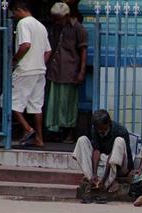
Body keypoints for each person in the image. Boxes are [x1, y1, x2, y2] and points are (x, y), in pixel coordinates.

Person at [9, 0, 52, 147]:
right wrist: (40, 63)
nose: (13, 16)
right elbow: (48, 51)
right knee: (36, 106)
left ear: (19, 9)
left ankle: (27, 128)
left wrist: (15, 60)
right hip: (40, 71)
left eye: (14, 12)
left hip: (25, 70)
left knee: (8, 101)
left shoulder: (23, 23)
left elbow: (25, 44)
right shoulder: (41, 26)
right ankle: (39, 139)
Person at [45, 2, 88, 143]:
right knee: (54, 104)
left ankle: (69, 133)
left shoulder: (78, 28)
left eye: (59, 18)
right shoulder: (56, 28)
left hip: (70, 72)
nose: (56, 21)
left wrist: (81, 72)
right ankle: (56, 132)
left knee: (68, 104)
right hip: (55, 70)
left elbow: (83, 51)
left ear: (67, 16)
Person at [72, 109, 134, 199]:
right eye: (98, 129)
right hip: (102, 163)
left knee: (119, 141)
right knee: (82, 140)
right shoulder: (96, 130)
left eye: (103, 128)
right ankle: (93, 180)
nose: (100, 131)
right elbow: (96, 151)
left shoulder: (120, 131)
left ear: (109, 122)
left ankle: (109, 182)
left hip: (118, 165)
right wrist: (94, 174)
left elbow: (113, 156)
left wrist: (104, 179)